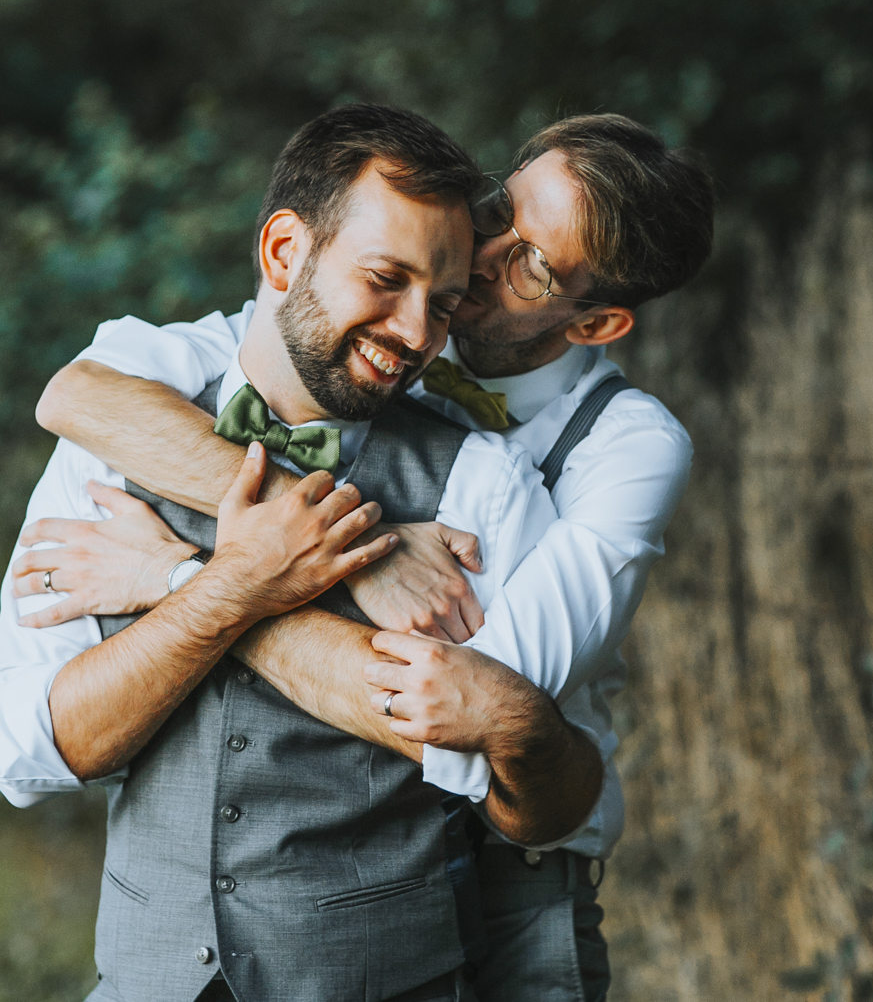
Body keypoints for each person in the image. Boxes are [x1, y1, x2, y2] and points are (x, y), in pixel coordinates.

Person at [18, 112, 715, 1002]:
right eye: (500, 209)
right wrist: (347, 548)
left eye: (533, 264)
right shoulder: (368, 335)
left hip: (515, 881)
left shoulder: (622, 447)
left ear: (596, 323)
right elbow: (83, 392)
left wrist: (183, 579)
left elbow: (463, 704)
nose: (484, 256)